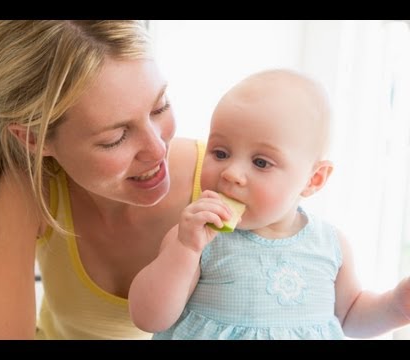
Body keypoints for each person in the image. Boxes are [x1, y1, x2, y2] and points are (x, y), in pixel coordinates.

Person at [0, 20, 206, 340]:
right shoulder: (30, 185)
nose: (157, 149)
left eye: (159, 107)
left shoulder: (233, 184)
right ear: (33, 138)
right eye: (115, 138)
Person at [128, 69, 410, 340]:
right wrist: (185, 250)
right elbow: (150, 318)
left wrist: (396, 306)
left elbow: (349, 316)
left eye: (261, 162)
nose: (231, 174)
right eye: (221, 152)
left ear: (313, 179)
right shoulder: (196, 239)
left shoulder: (330, 245)